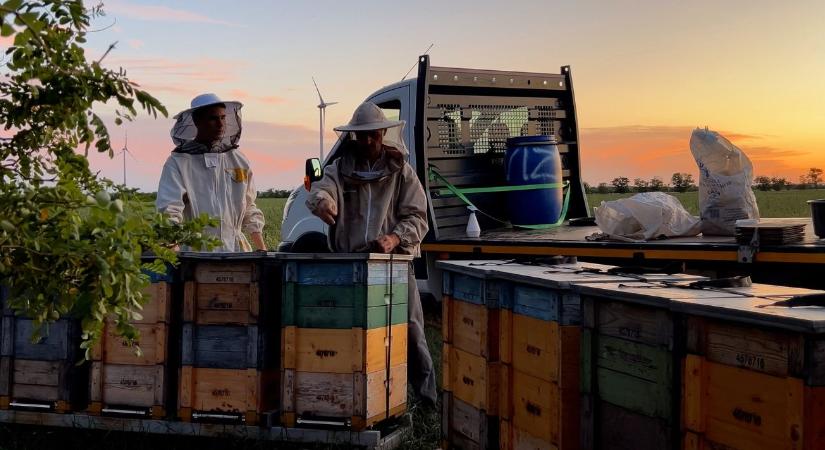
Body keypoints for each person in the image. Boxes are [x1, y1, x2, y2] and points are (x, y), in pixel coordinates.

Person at [306, 101, 437, 406]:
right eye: (360, 137)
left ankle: (427, 397)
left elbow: (418, 217)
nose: (365, 142)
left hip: (391, 264)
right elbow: (321, 190)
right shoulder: (339, 169)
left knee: (411, 330)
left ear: (382, 134)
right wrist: (323, 201)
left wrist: (394, 238)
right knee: (348, 333)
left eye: (371, 136)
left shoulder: (401, 172)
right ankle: (348, 396)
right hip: (349, 265)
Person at [156, 93, 266, 252]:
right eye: (213, 118)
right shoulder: (178, 162)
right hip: (196, 252)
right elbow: (169, 211)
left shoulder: (238, 160)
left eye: (223, 118)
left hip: (237, 251)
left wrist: (262, 249)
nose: (220, 124)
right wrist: (174, 255)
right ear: (197, 121)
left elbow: (249, 206)